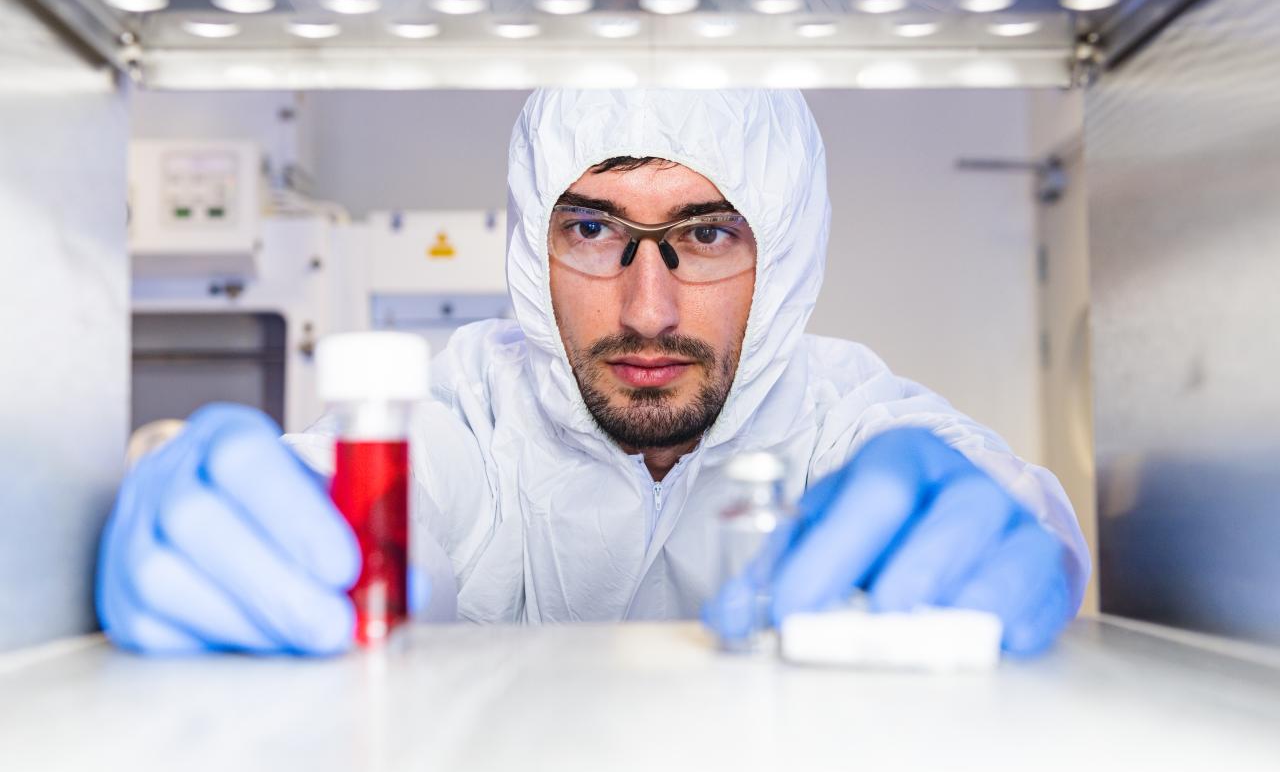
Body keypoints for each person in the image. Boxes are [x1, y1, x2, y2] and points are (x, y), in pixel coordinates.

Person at [97, 89, 1089, 656]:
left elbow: (993, 502)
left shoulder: (843, 418)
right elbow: (368, 509)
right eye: (591, 226)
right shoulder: (469, 409)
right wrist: (258, 526)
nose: (645, 308)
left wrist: (1022, 537)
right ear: (533, 244)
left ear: (783, 254)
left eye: (704, 233)